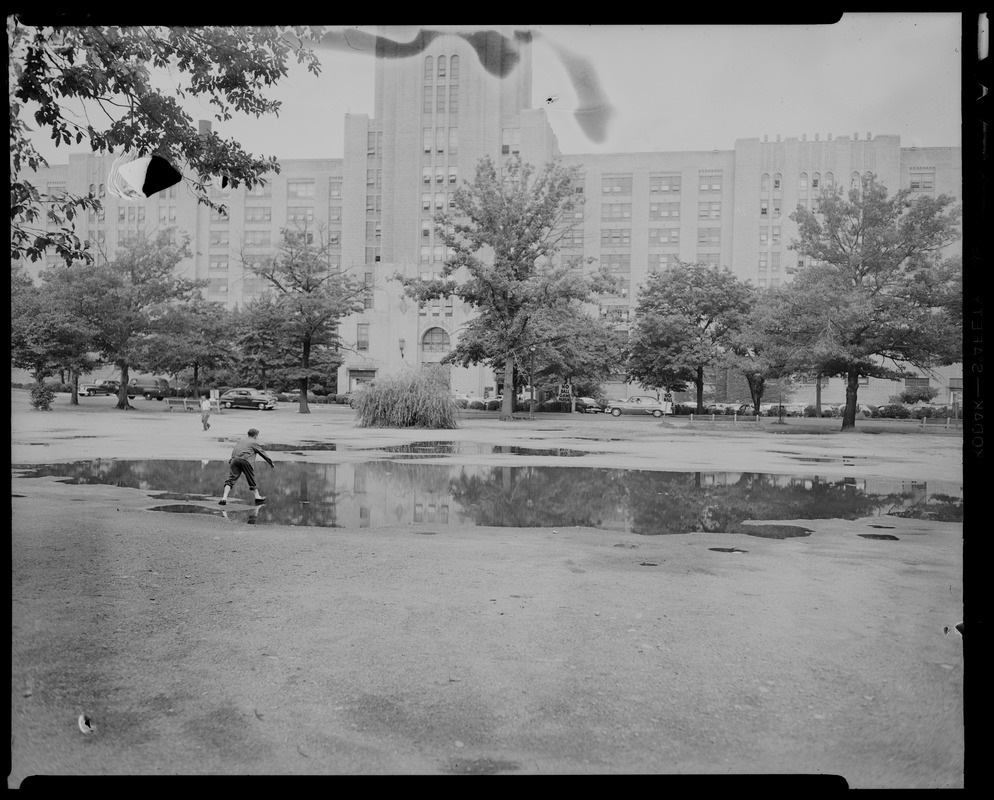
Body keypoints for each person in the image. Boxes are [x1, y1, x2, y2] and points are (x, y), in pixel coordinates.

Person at [219, 428, 274, 505]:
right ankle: (257, 497)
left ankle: (224, 498)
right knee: (251, 478)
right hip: (245, 460)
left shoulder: (241, 441)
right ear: (255, 436)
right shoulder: (253, 442)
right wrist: (270, 462)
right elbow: (262, 452)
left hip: (234, 460)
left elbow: (235, 451)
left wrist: (231, 460)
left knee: (231, 479)